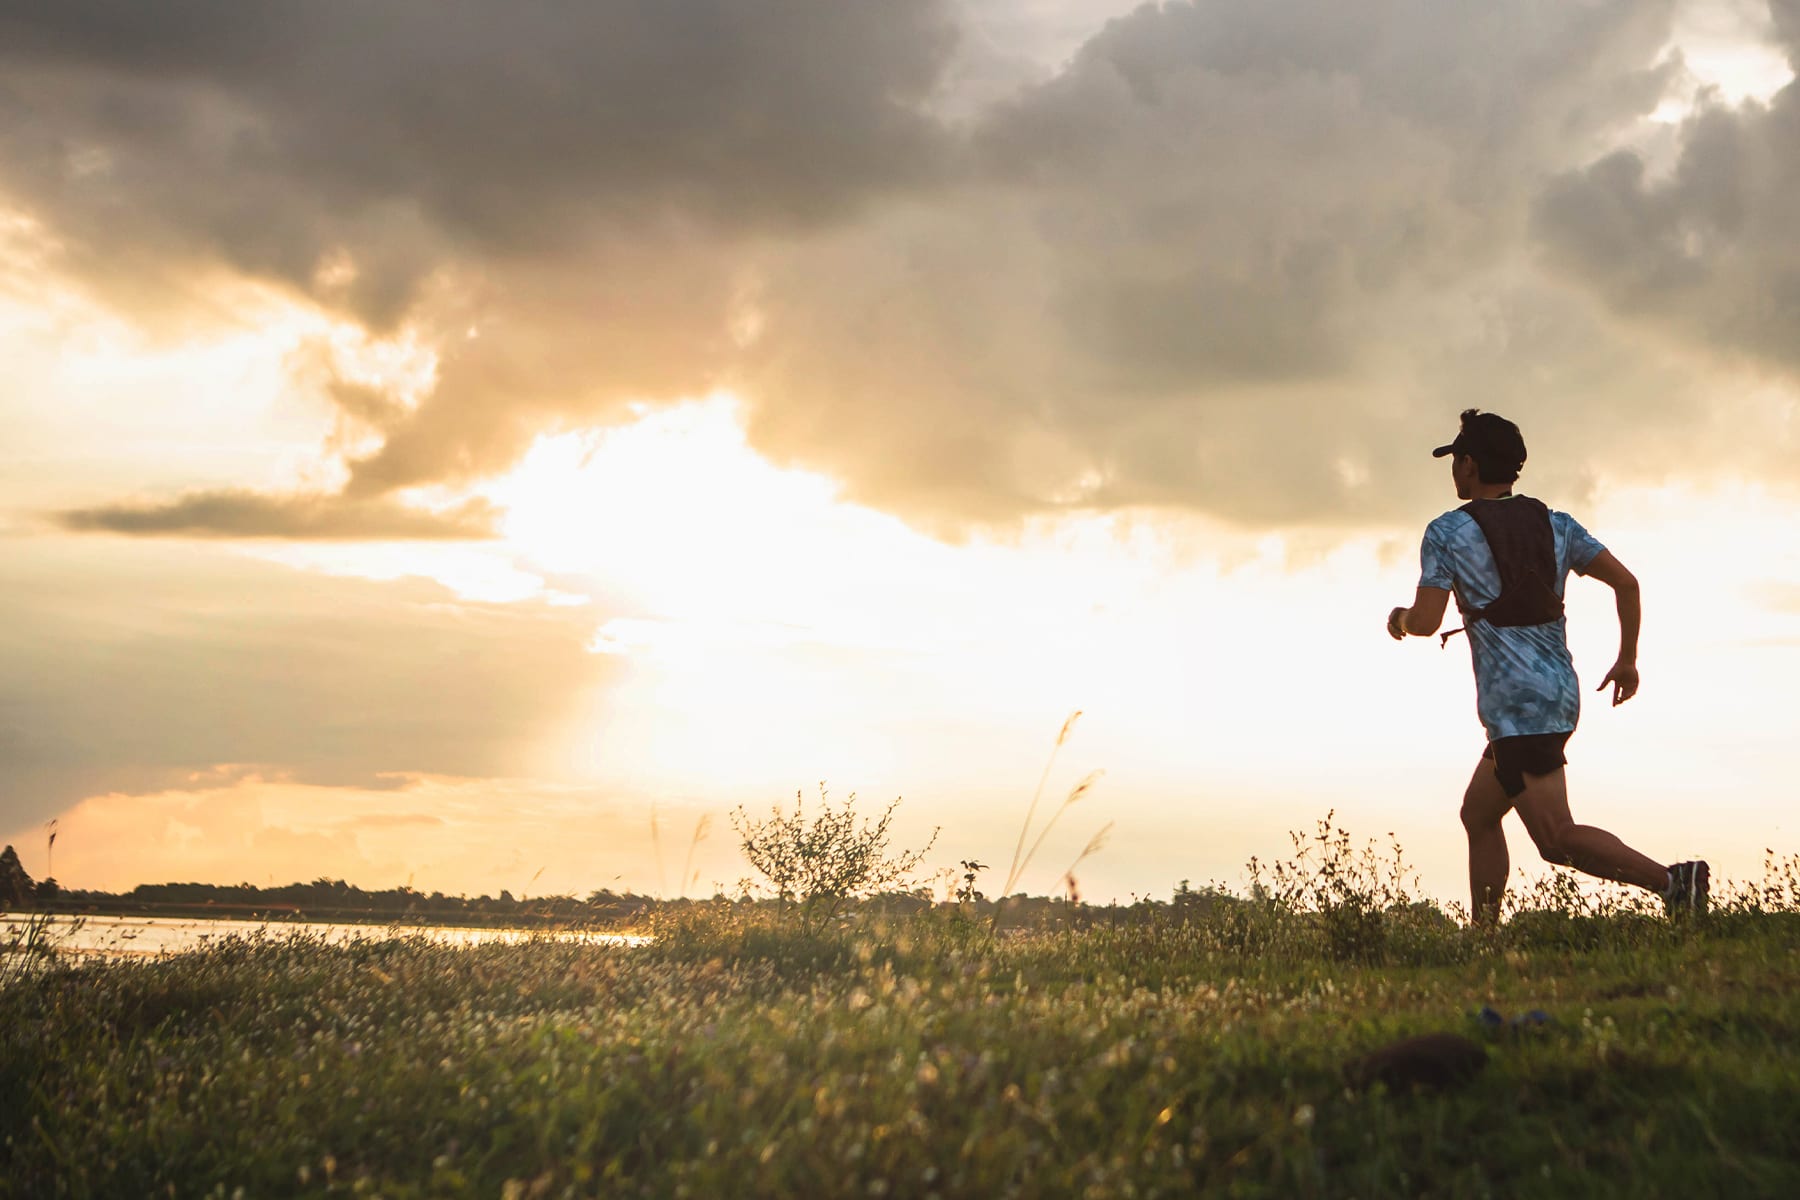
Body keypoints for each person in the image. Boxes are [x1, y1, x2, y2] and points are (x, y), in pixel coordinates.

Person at [1386, 408, 1707, 924]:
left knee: (1556, 838)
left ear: (1468, 465)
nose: (1454, 471)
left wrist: (1399, 620)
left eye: (1456, 461)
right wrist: (1627, 660)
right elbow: (1627, 584)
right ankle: (1485, 938)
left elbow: (1426, 622)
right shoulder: (1557, 525)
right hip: (1557, 691)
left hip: (1517, 705)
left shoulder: (1446, 532)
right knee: (1478, 814)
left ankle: (1675, 884)